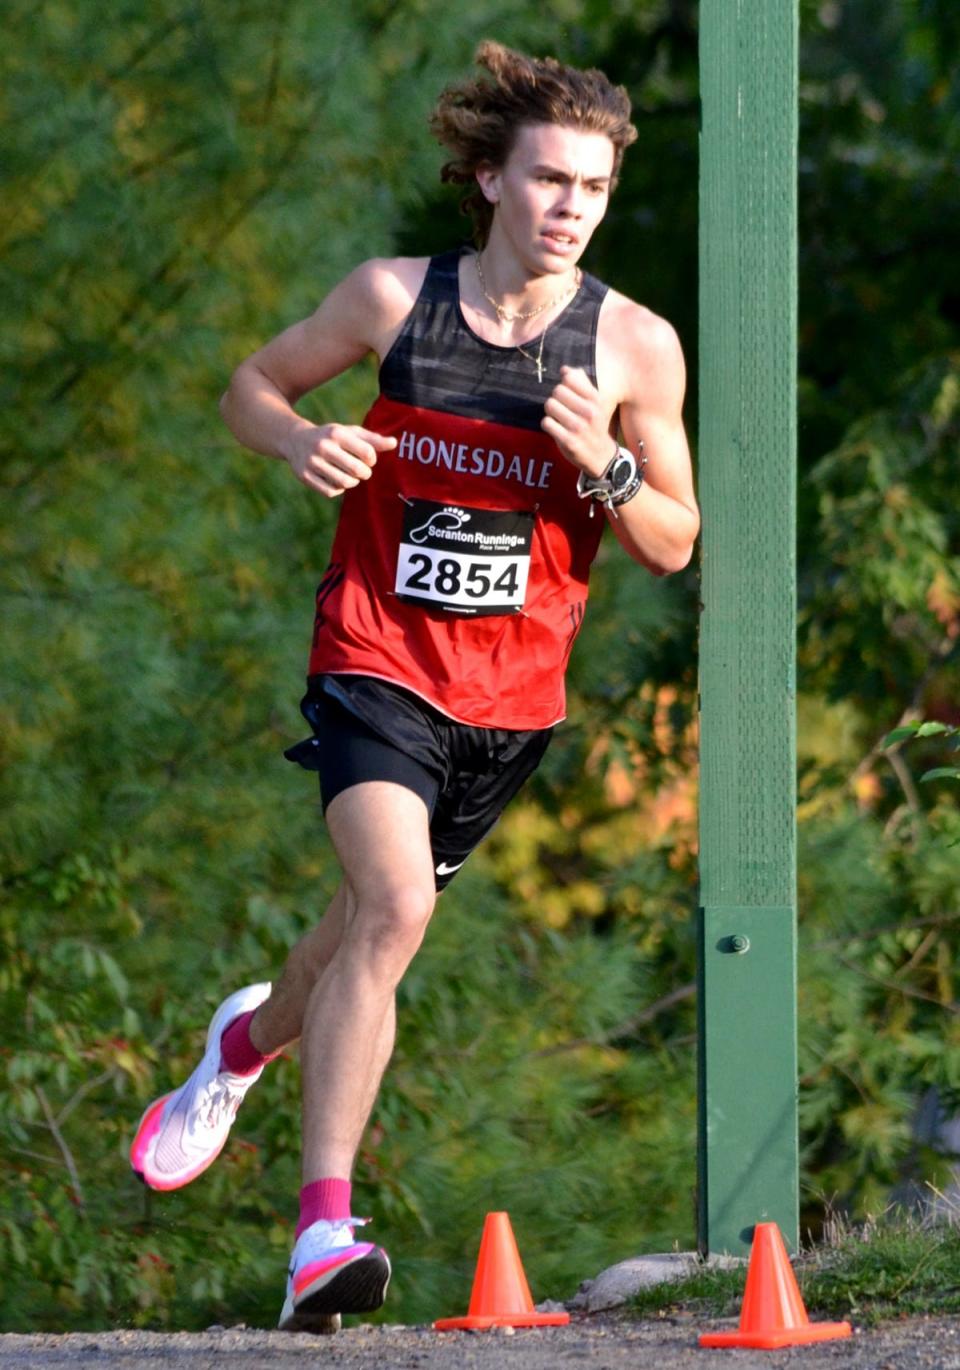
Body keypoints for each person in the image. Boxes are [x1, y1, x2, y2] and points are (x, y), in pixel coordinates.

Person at [129, 40, 699, 1333]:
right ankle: (324, 1231)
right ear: (492, 178)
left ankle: (241, 1046)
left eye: (594, 189)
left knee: (352, 937)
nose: (570, 207)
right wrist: (300, 437)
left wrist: (606, 466)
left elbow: (674, 538)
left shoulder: (633, 348)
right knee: (390, 905)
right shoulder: (393, 301)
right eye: (550, 179)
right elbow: (251, 385)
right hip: (376, 656)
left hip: (511, 703)